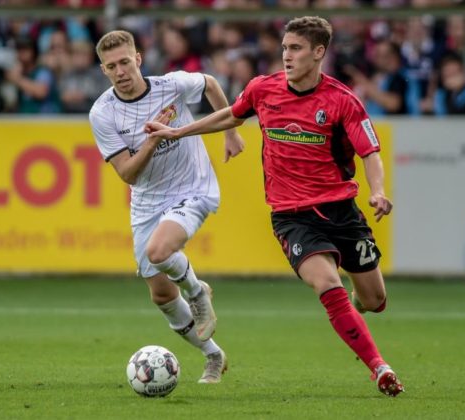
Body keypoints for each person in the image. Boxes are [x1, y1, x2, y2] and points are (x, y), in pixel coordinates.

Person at [147, 16, 404, 397]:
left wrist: (377, 191)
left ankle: (360, 302)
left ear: (318, 52)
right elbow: (231, 114)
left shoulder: (342, 101)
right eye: (285, 48)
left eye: (296, 48)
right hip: (292, 216)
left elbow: (370, 152)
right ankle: (379, 367)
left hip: (341, 212)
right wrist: (179, 131)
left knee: (375, 301)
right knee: (327, 284)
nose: (287, 55)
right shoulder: (263, 89)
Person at [88, 30, 245, 384]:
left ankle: (197, 291)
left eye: (125, 62)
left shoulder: (171, 85)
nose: (120, 71)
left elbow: (210, 84)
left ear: (138, 59)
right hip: (147, 200)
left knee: (159, 251)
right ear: (104, 70)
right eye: (112, 66)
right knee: (161, 294)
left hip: (193, 186)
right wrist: (154, 139)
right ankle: (213, 355)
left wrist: (230, 131)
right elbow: (128, 173)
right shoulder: (103, 113)